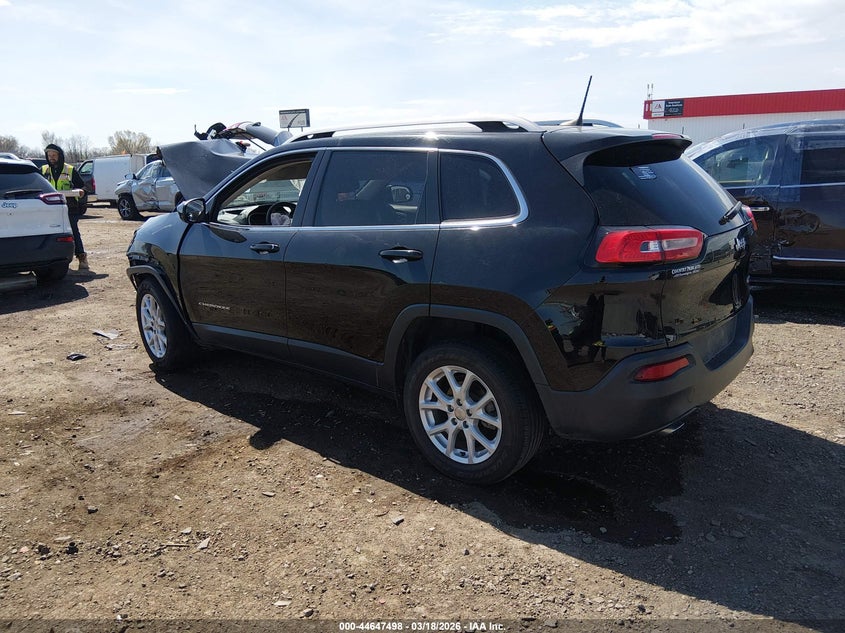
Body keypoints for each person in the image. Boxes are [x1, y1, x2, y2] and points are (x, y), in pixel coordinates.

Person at [41, 143, 89, 270]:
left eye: (54, 155)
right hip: (50, 208)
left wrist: (82, 191)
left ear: (60, 156)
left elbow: (83, 186)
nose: (51, 158)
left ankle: (82, 257)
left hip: (69, 207)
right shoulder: (44, 170)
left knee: (73, 231)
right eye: (49, 155)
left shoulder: (70, 170)